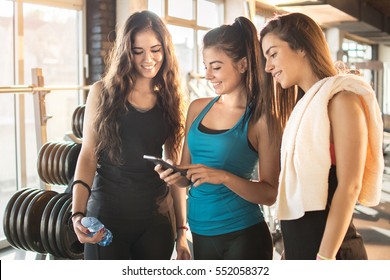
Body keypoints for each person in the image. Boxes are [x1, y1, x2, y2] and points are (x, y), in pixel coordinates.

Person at [259, 12, 384, 260]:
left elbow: (350, 186)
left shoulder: (342, 100)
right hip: (302, 251)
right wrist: (289, 249)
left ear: (302, 47)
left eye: (273, 54)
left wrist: (324, 259)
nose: (268, 66)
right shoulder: (306, 108)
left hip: (332, 253)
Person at [156, 16, 282, 260]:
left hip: (243, 234)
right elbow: (186, 178)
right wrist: (173, 175)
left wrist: (223, 177)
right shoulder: (196, 108)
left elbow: (270, 193)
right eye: (206, 67)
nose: (209, 75)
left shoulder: (261, 120)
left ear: (243, 64)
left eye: (216, 67)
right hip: (200, 233)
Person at [70, 10, 191, 260]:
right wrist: (77, 214)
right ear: (127, 52)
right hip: (107, 216)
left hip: (155, 221)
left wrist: (181, 231)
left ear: (166, 50)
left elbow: (174, 168)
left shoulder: (171, 99)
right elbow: (88, 156)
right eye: (139, 51)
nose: (149, 58)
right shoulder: (101, 92)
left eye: (156, 49)